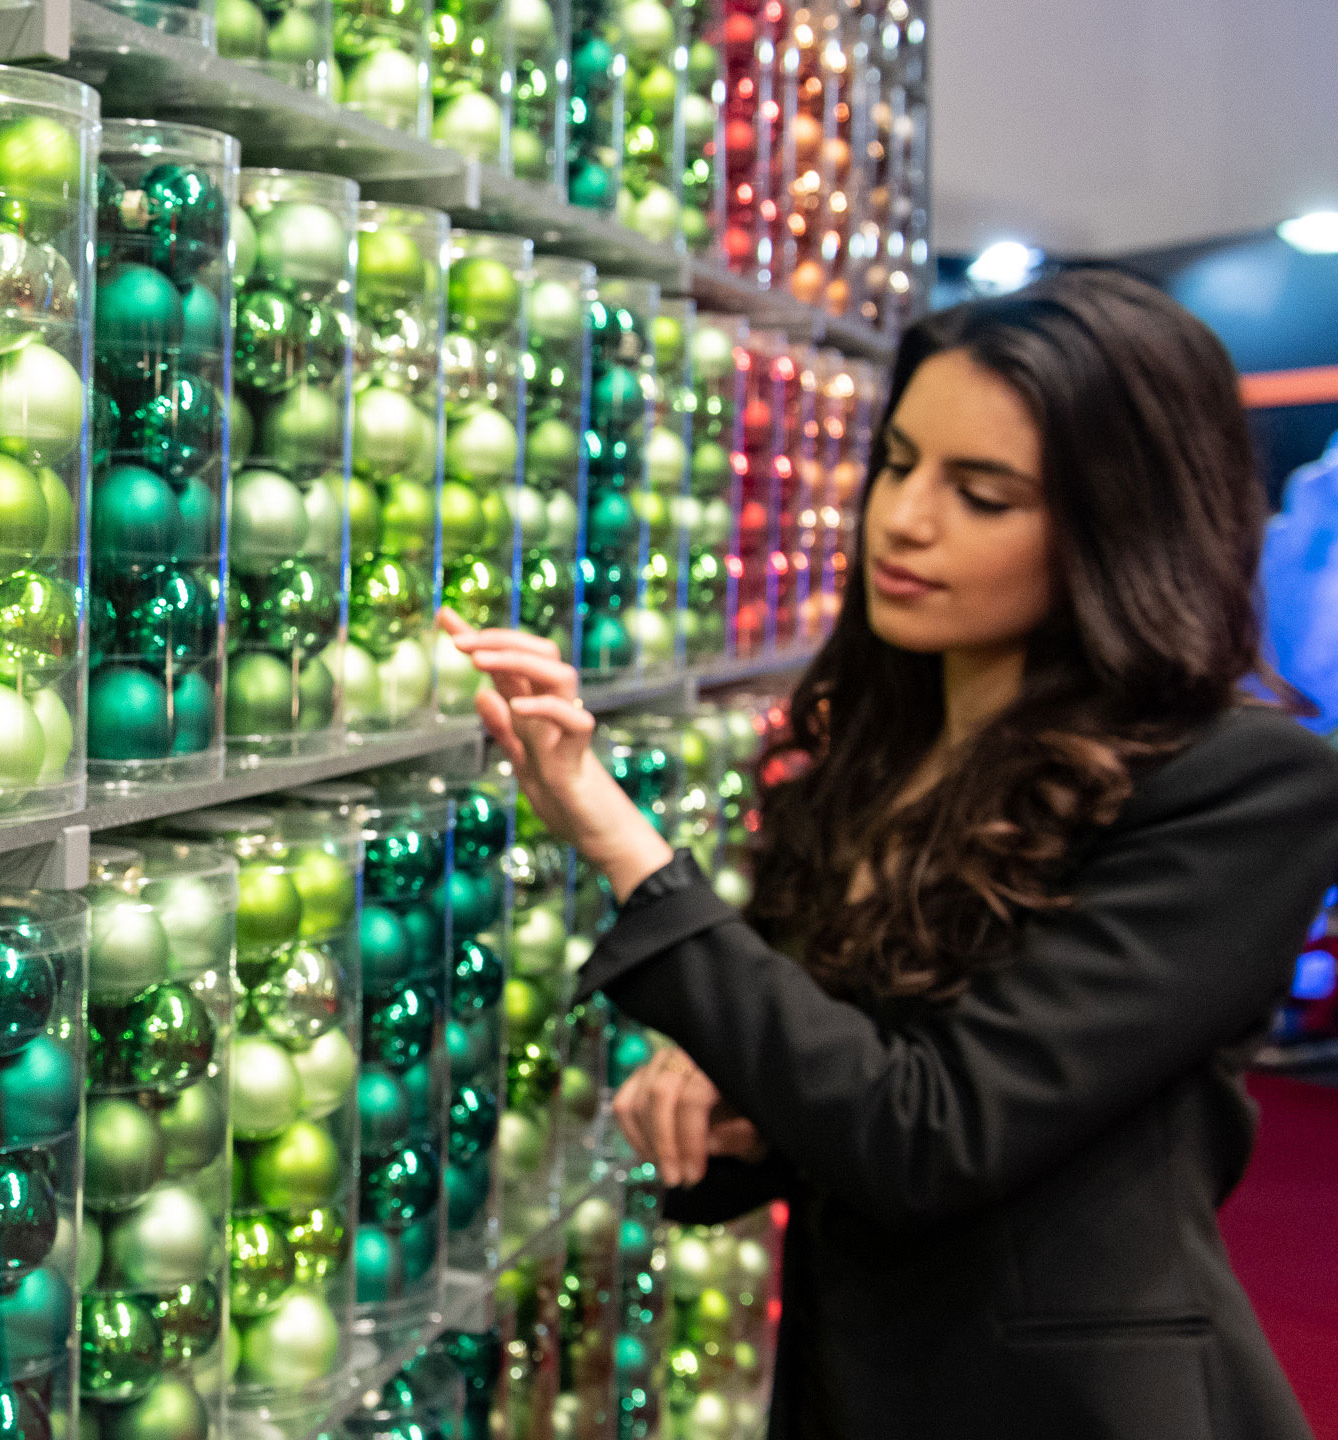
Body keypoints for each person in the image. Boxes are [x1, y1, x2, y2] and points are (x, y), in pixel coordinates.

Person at [442, 268, 1338, 1440]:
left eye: (983, 494)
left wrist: (616, 834)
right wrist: (737, 1105)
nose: (904, 519)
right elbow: (843, 1082)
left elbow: (928, 1135)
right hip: (850, 1384)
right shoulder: (871, 757)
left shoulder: (1238, 785)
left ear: (1120, 521)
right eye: (900, 463)